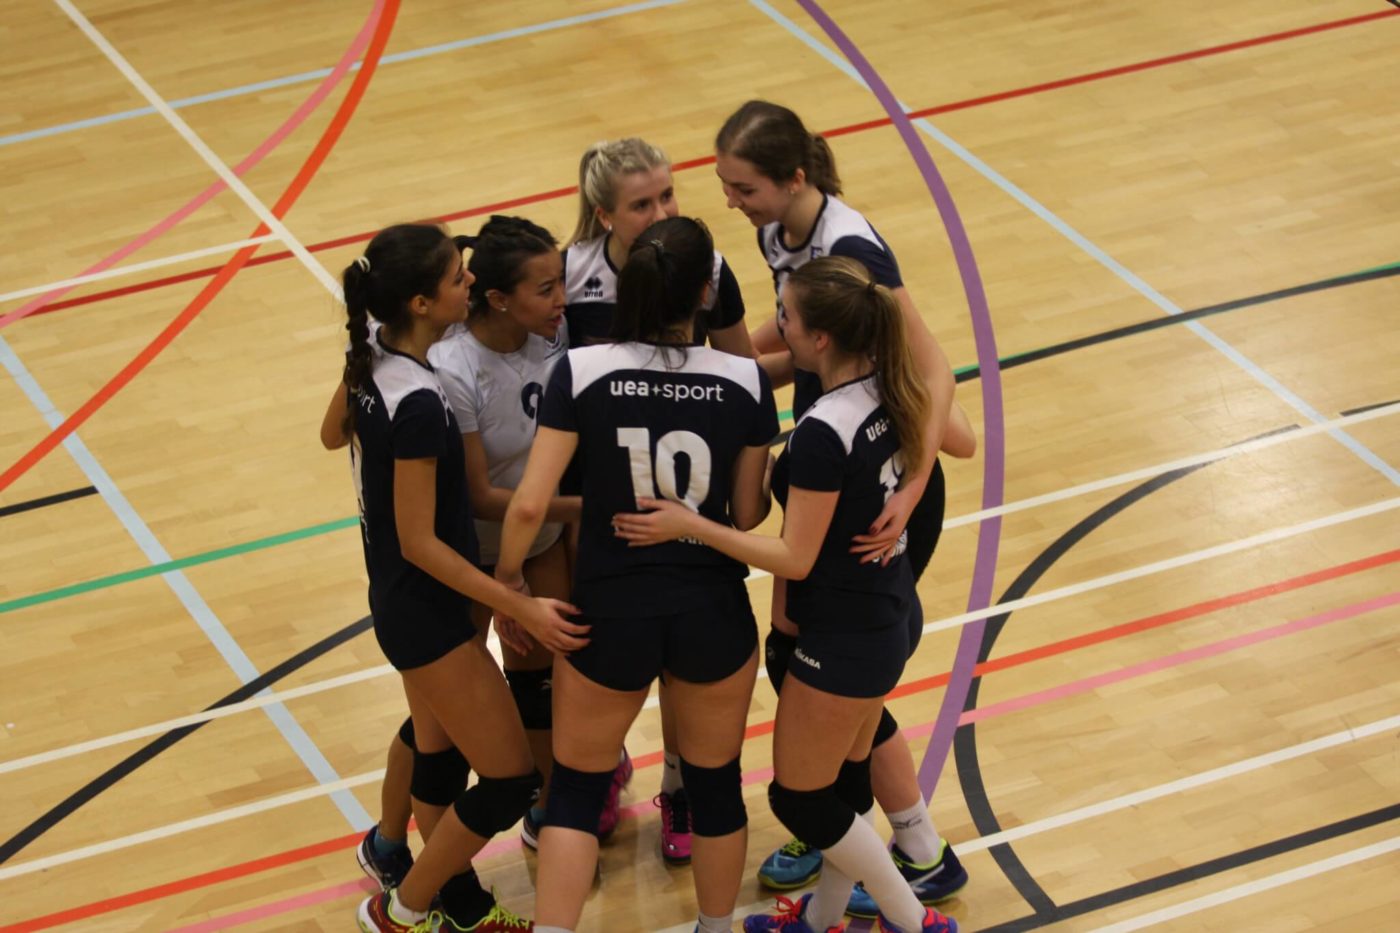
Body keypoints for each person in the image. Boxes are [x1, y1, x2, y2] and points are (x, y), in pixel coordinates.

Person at [613, 256, 959, 933]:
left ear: (820, 338)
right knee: (844, 787)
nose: (780, 327)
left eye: (787, 317)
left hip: (845, 636)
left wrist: (691, 524)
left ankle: (913, 919)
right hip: (884, 613)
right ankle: (822, 918)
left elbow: (794, 555)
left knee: (800, 799)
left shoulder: (825, 429)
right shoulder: (892, 386)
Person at [715, 100, 972, 911]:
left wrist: (915, 485)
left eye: (743, 187)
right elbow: (790, 339)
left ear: (794, 178)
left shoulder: (853, 249)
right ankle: (905, 842)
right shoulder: (780, 231)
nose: (731, 201)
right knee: (826, 667)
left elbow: (936, 379)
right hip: (840, 456)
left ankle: (831, 821)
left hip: (884, 483)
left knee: (830, 663)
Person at [496, 216, 779, 933]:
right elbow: (749, 513)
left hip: (610, 611)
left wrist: (510, 584)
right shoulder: (747, 378)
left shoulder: (580, 369)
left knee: (574, 792)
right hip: (710, 609)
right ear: (707, 291)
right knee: (715, 788)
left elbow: (529, 503)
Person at [325, 222, 583, 933]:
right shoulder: (417, 399)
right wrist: (515, 604)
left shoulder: (375, 355)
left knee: (437, 752)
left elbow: (330, 434)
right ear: (420, 303)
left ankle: (454, 902)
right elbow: (420, 542)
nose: (469, 281)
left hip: (399, 597)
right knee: (510, 779)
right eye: (456, 278)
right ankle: (403, 908)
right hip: (427, 609)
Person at [562, 137, 758, 862]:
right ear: (603, 214)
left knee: (689, 666)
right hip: (601, 493)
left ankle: (680, 784)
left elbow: (738, 364)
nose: (662, 212)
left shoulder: (707, 268)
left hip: (687, 499)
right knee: (607, 651)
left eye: (667, 195)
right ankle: (600, 766)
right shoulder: (571, 276)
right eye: (642, 203)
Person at [428, 216, 579, 850]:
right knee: (445, 713)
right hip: (468, 555)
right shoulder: (454, 368)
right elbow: (480, 496)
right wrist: (589, 507)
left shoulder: (553, 335)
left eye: (560, 282)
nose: (562, 299)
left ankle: (550, 806)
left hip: (537, 540)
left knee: (541, 682)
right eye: (545, 289)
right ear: (496, 298)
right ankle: (398, 836)